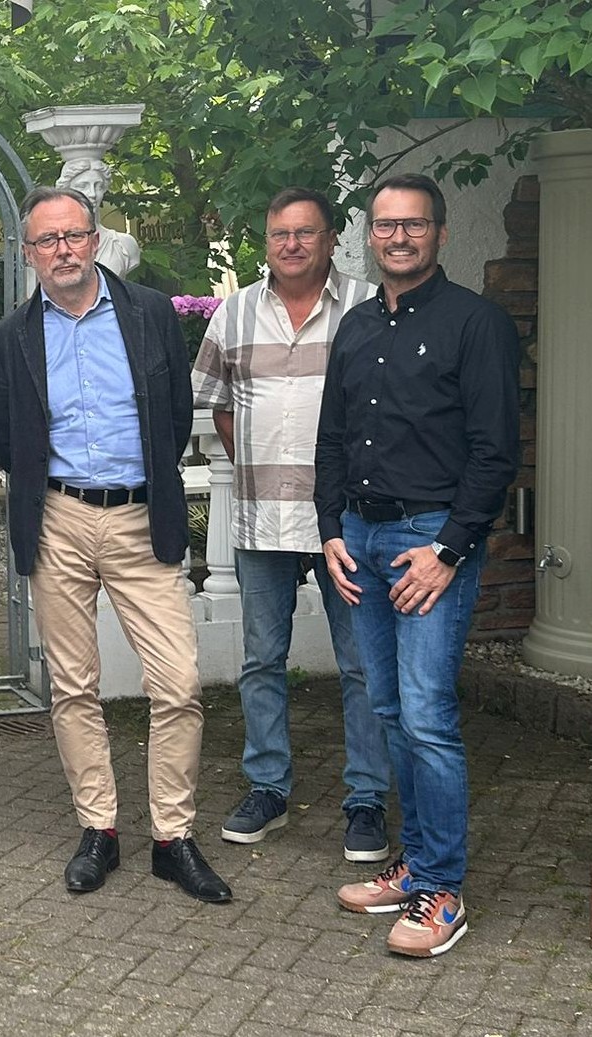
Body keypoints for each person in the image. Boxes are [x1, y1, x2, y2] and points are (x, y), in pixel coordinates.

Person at [0, 185, 232, 904]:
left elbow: (175, 414)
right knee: (73, 686)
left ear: (95, 239)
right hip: (58, 519)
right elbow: (6, 435)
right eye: (47, 240)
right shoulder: (9, 337)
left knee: (178, 683)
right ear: (29, 253)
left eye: (73, 236)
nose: (62, 250)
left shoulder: (149, 312)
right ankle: (99, 828)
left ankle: (173, 838)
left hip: (140, 519)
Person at [317, 174, 519, 957]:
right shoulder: (357, 325)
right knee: (390, 708)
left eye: (414, 224)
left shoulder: (477, 323)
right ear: (369, 235)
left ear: (439, 232)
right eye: (385, 225)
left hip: (430, 539)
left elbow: (496, 451)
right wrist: (330, 529)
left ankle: (443, 890)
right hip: (361, 541)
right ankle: (417, 864)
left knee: (428, 714)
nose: (398, 237)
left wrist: (448, 551)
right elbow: (332, 437)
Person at [190, 187, 391, 861]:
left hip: (349, 521)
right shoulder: (235, 312)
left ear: (332, 239)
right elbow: (217, 402)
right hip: (262, 516)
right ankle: (268, 787)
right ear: (267, 241)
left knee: (362, 663)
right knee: (261, 660)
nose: (293, 244)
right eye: (280, 233)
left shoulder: (367, 305)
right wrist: (258, 462)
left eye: (306, 233)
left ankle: (367, 798)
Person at [58, 157, 141, 276]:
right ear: (66, 191)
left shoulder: (124, 244)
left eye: (98, 186)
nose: (92, 194)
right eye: (83, 186)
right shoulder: (52, 246)